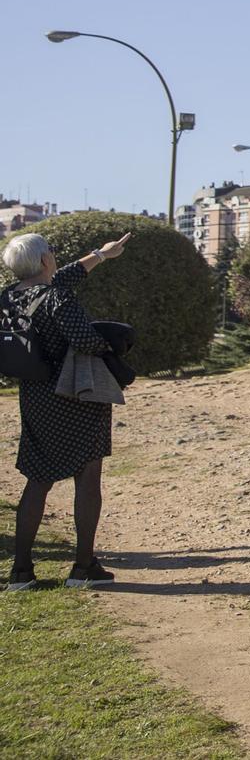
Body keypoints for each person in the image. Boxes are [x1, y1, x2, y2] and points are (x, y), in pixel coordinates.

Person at [3, 230, 132, 591]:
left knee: (38, 478)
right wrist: (115, 341)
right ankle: (83, 567)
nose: (56, 257)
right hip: (73, 395)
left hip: (34, 395)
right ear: (45, 260)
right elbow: (85, 340)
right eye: (53, 252)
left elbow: (59, 280)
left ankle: (21, 572)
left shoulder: (11, 296)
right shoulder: (57, 298)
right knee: (88, 476)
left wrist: (102, 255)